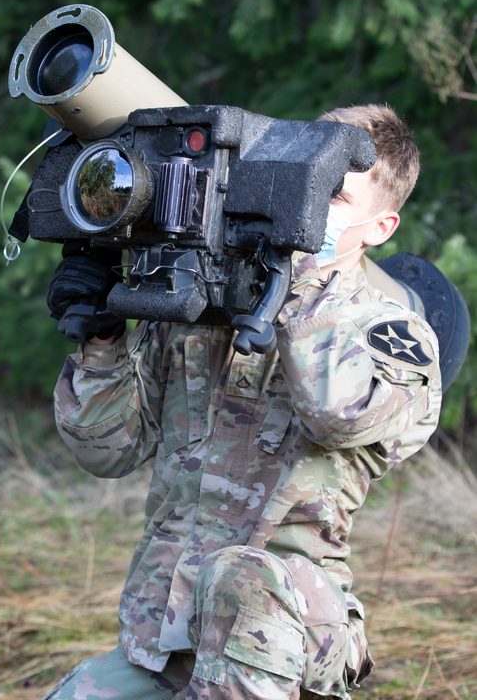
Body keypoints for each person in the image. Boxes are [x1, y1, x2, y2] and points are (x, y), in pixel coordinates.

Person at [43, 104, 442, 700]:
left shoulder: (389, 333)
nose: (300, 205)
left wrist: (288, 276)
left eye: (330, 197)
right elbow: (109, 451)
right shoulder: (204, 312)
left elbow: (339, 413)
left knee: (242, 574)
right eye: (295, 180)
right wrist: (101, 340)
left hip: (285, 641)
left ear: (380, 228)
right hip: (167, 638)